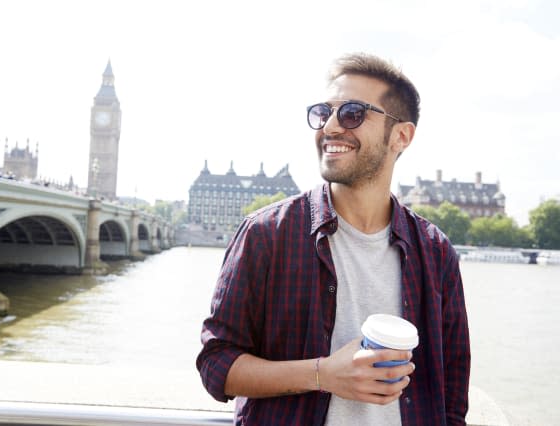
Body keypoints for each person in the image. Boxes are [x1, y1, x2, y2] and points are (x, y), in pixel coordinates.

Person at [196, 52, 470, 425]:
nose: (332, 127)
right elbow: (216, 366)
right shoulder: (266, 235)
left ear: (401, 136)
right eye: (324, 113)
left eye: (353, 113)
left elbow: (452, 396)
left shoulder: (436, 253)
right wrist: (323, 374)